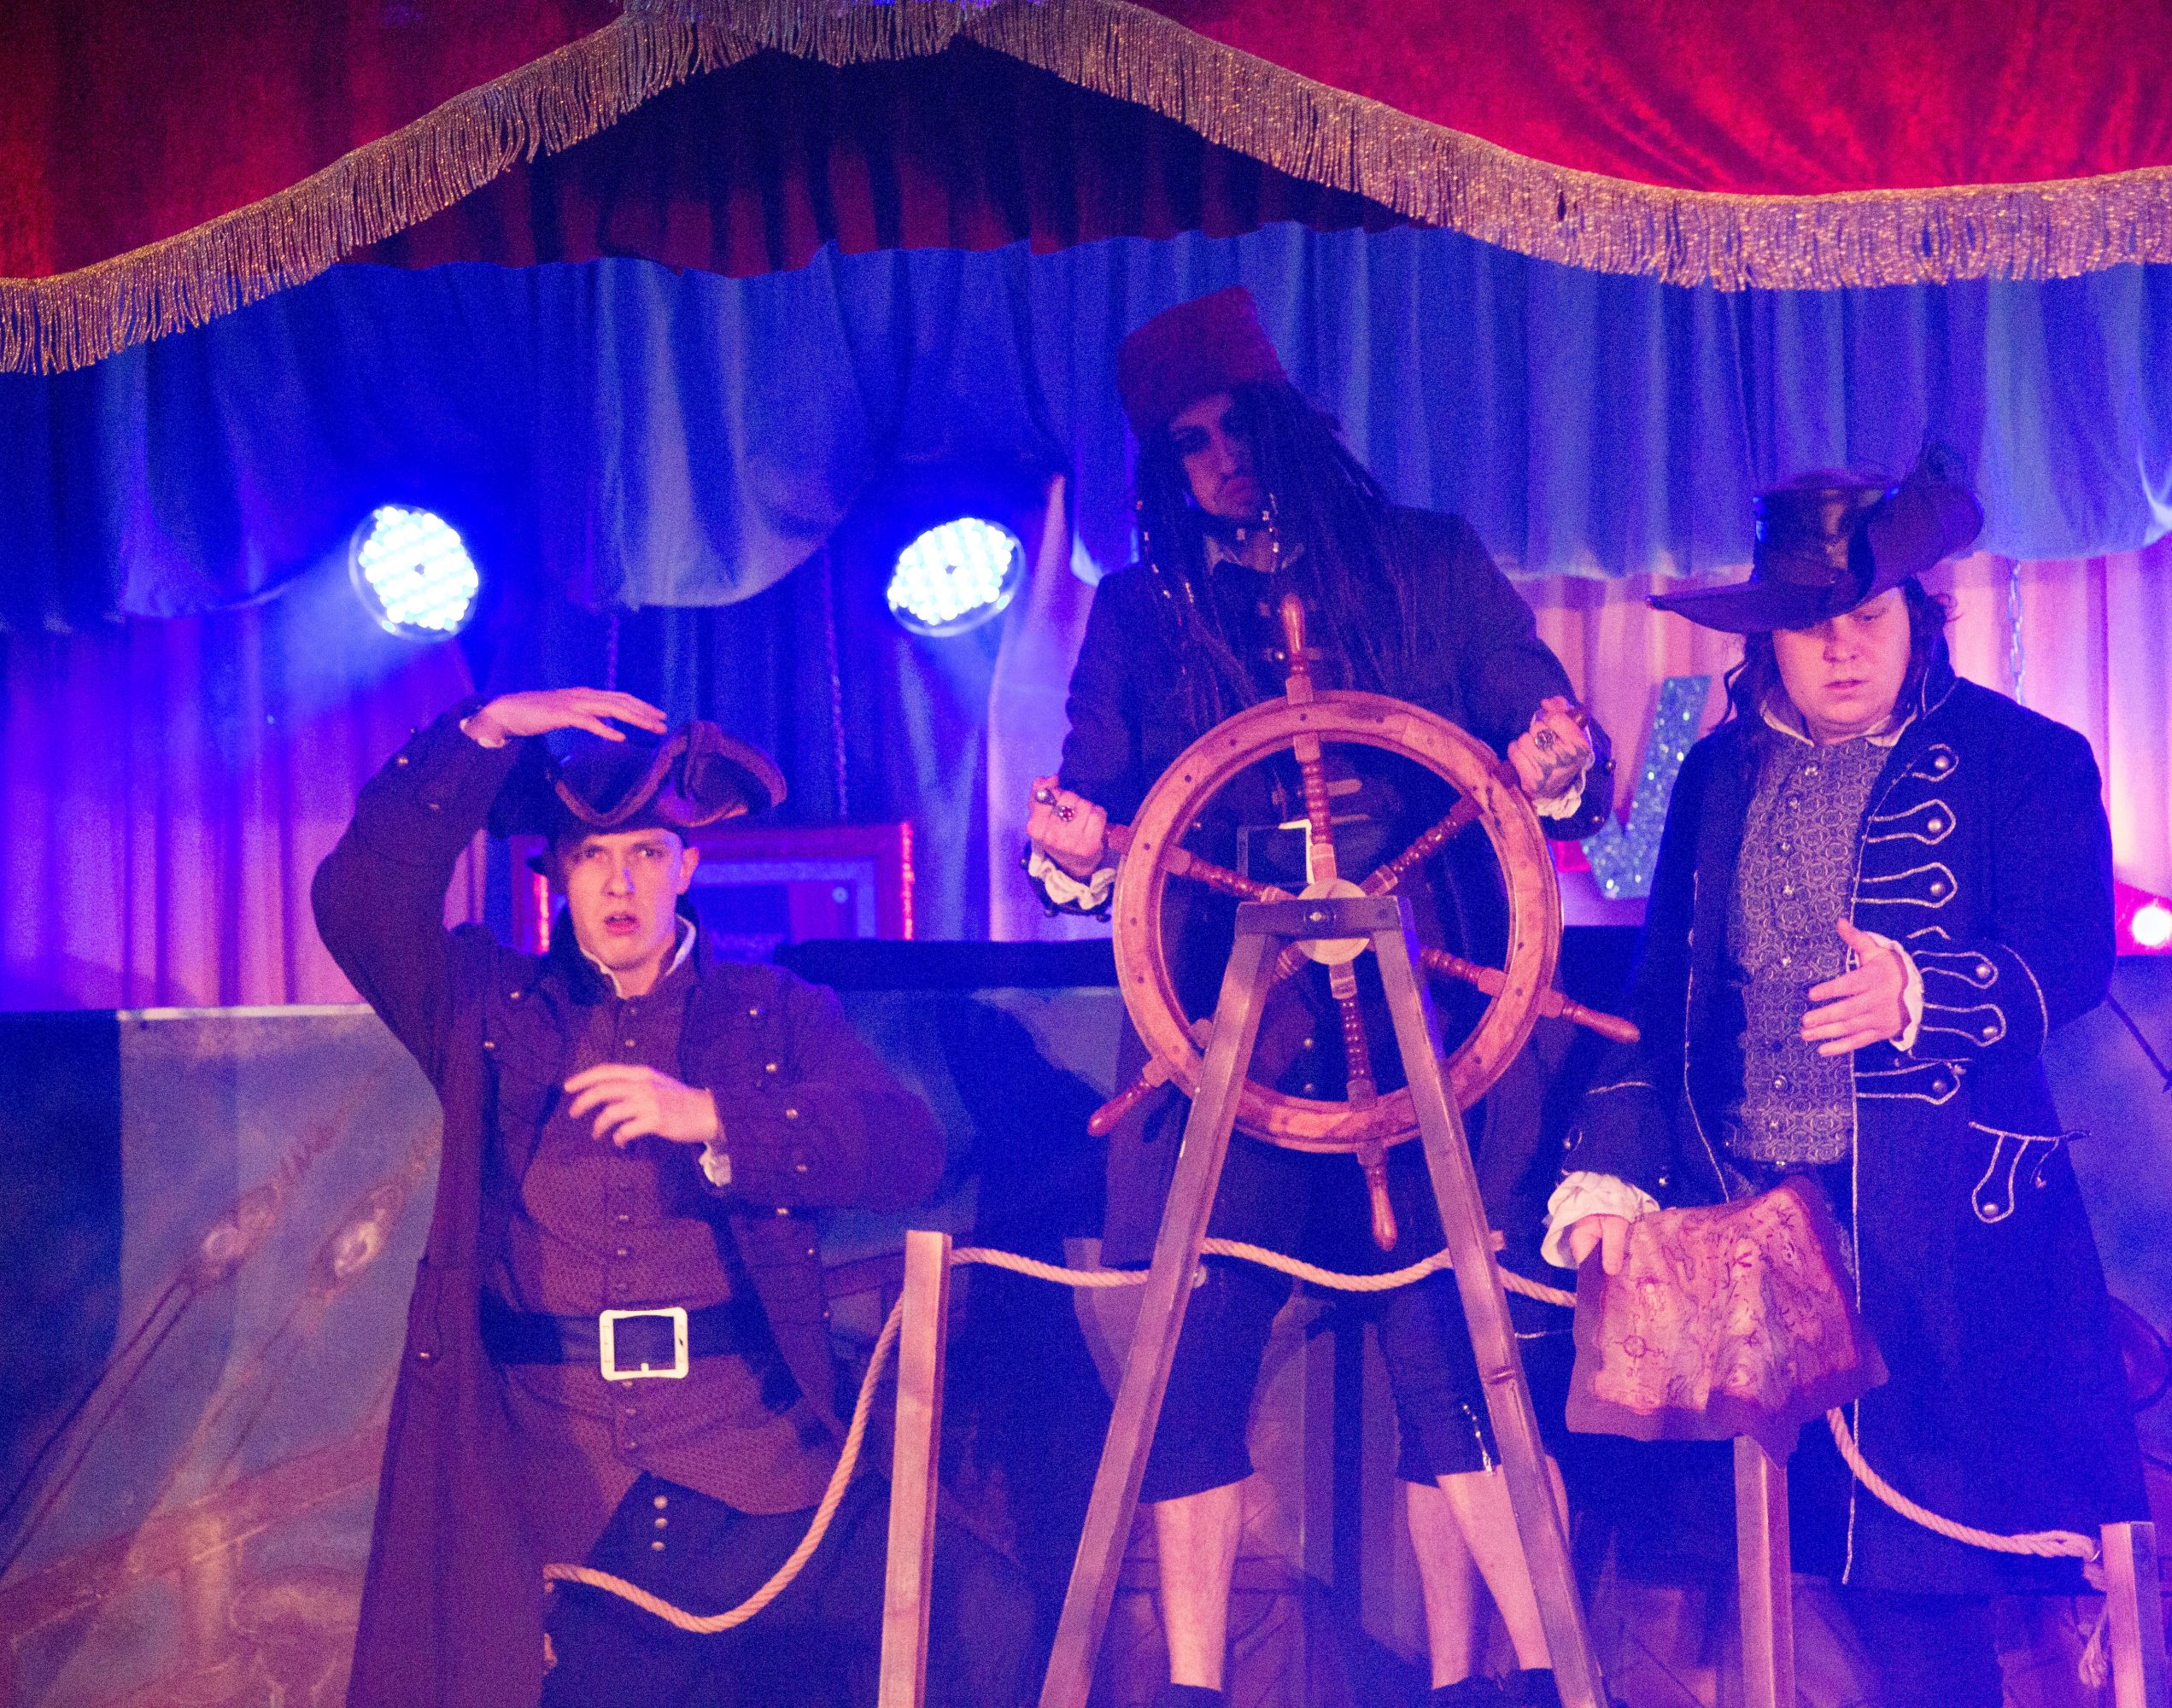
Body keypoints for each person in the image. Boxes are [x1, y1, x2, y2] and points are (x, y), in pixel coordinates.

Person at [1025, 286, 1615, 1708]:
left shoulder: (1426, 564)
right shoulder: (1141, 614)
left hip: (1431, 1042)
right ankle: (1190, 1692)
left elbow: (1534, 718)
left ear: (1287, 421)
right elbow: (1096, 811)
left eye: (1237, 428)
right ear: (1161, 472)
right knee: (1194, 1377)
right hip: (1234, 1050)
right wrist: (1073, 849)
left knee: (1456, 1370)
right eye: (1188, 445)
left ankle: (1532, 1685)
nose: (1222, 462)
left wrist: (1553, 751)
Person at [1545, 455, 2151, 1705]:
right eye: (1812, 623)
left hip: (1932, 1240)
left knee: (1921, 1599)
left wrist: (1924, 996)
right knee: (1745, 1592)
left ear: (1917, 613)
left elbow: (2072, 952)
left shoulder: (2022, 759)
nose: (1842, 649)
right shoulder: (1717, 775)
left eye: (1868, 616)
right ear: (1768, 638)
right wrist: (1611, 1170)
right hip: (1744, 1227)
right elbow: (1666, 997)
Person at [317, 688, 1023, 1708]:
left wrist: (720, 1118)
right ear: (557, 873)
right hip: (562, 1488)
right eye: (593, 856)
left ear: (687, 866)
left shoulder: (772, 1012)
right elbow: (358, 901)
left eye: (647, 853)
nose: (621, 882)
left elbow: (908, 1148)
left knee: (985, 1612)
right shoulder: (485, 1007)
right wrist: (484, 730)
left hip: (761, 1467)